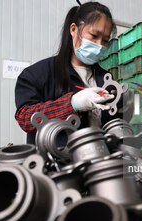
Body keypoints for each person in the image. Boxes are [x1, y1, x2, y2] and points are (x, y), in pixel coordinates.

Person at [15, 1, 120, 144]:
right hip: (57, 163)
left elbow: (112, 123)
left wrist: (125, 107)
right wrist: (72, 104)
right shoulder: (37, 74)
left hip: (99, 161)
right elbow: (25, 118)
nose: (99, 45)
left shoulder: (105, 78)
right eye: (94, 36)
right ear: (73, 30)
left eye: (105, 41)